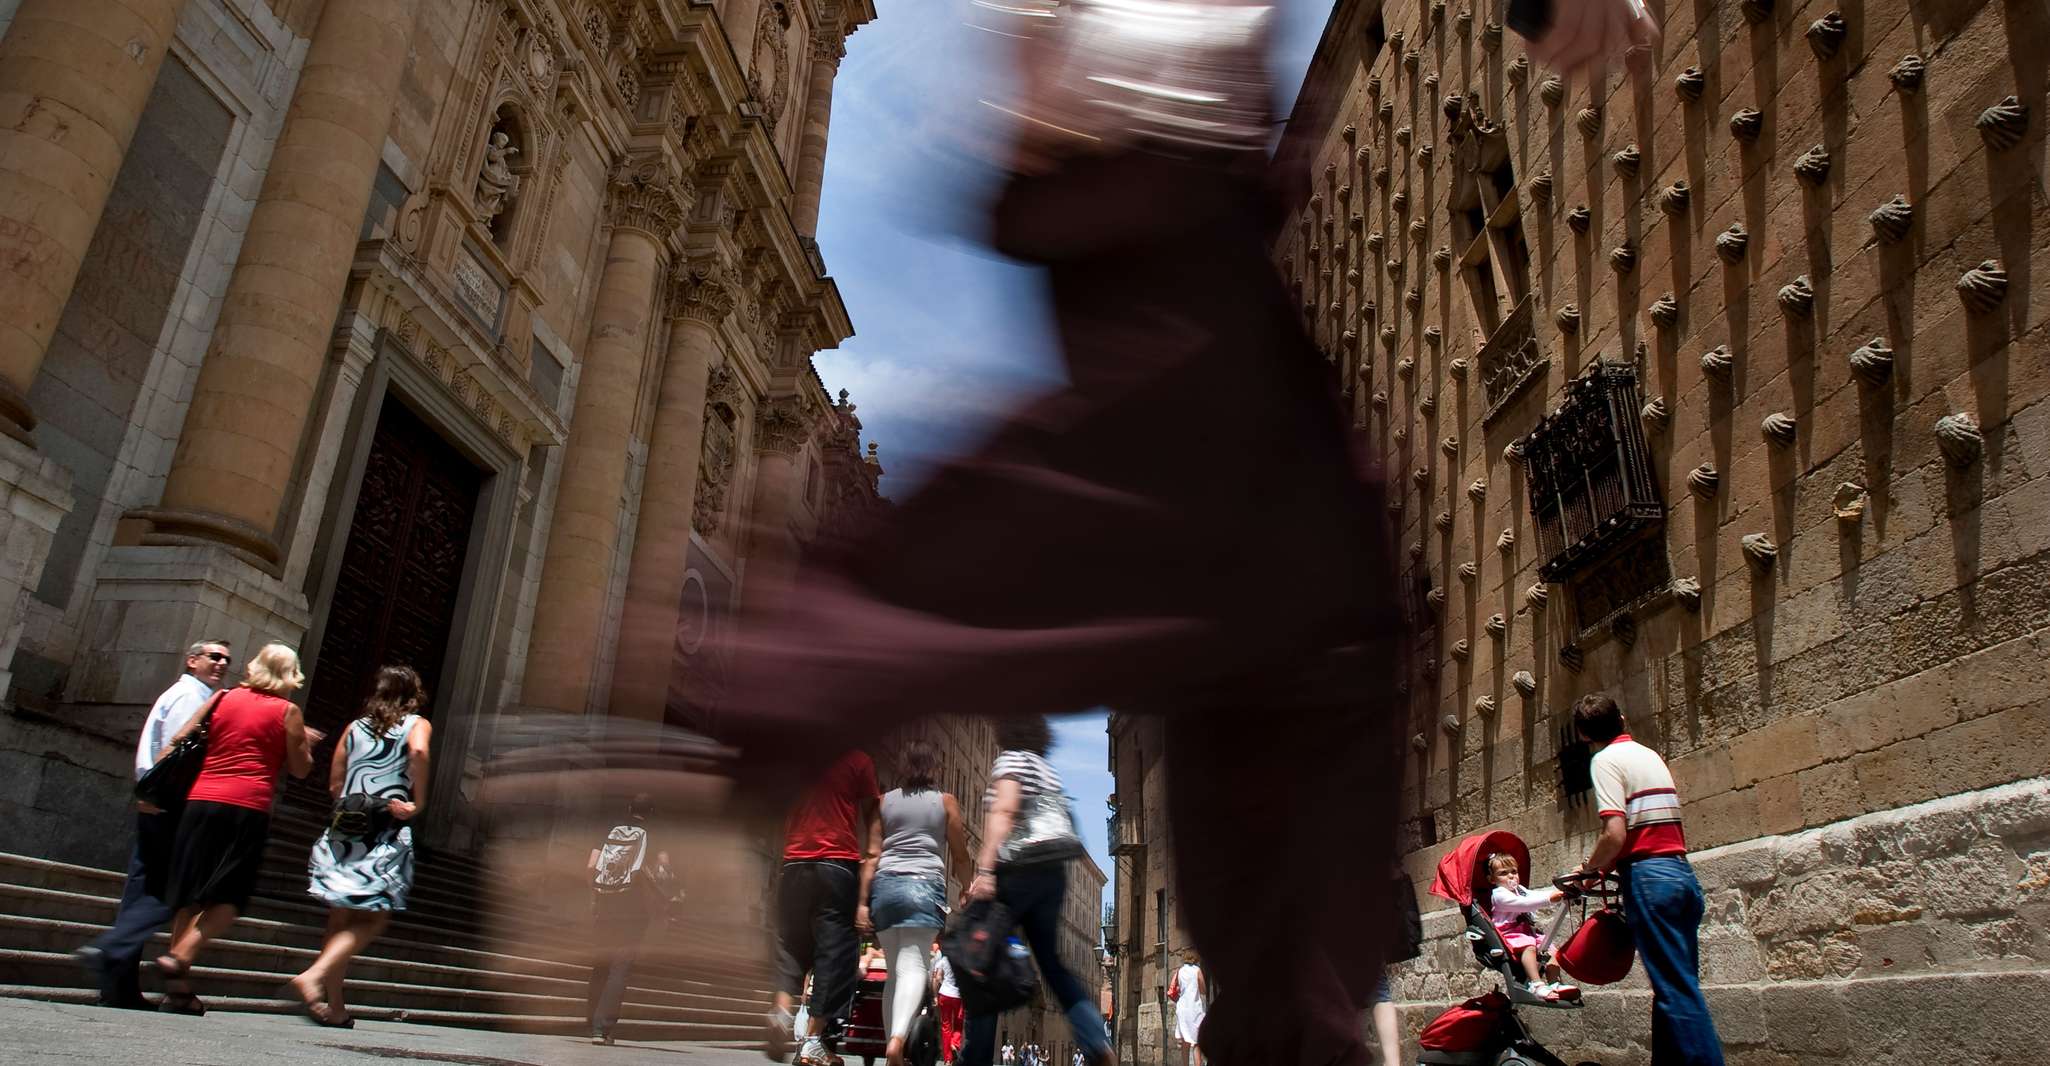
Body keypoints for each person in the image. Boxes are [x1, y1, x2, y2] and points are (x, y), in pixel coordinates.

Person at [716, 5, 1663, 1064]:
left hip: (1160, 203)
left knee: (1276, 771)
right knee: (1265, 665)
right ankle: (694, 743)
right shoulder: (1180, 317)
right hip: (1167, 200)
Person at [153, 643, 319, 1014]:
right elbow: (300, 769)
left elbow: (181, 738)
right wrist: (304, 743)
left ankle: (177, 990)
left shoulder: (222, 698)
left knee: (191, 895)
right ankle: (179, 957)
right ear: (291, 675)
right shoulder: (287, 711)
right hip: (246, 808)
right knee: (229, 900)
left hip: (200, 802)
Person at [76, 639, 231, 1010]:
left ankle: (118, 983)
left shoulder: (191, 694)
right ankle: (109, 950)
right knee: (172, 891)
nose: (222, 663)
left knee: (143, 891)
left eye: (226, 659)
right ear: (192, 660)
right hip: (170, 805)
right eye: (214, 656)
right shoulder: (189, 698)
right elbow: (178, 756)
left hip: (159, 802)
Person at [1573, 693, 1725, 1066]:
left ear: (1583, 736)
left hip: (1648, 878)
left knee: (1676, 991)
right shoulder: (1649, 755)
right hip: (1680, 874)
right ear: (1623, 719)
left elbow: (1615, 834)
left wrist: (1590, 871)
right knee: (1674, 986)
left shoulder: (1605, 761)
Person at [959, 717, 1112, 1066]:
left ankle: (975, 1060)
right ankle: (1096, 1042)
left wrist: (984, 869)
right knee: (1053, 966)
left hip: (1017, 869)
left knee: (980, 960)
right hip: (1052, 874)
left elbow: (1004, 809)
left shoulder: (1012, 759)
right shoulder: (1047, 770)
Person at [289, 665, 433, 1027]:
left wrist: (353, 802)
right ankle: (314, 975)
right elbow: (419, 753)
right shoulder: (416, 724)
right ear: (412, 694)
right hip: (383, 830)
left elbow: (335, 782)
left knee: (339, 921)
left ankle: (335, 1007)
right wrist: (418, 801)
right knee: (373, 917)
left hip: (344, 830)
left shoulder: (355, 727)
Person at [858, 739, 971, 1066]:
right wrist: (966, 886)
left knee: (895, 971)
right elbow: (960, 853)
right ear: (933, 769)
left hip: (887, 888)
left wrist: (863, 902)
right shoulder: (946, 802)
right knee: (914, 967)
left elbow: (871, 854)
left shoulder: (882, 802)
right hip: (924, 887)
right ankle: (897, 1043)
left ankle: (895, 1046)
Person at [767, 749, 881, 1065]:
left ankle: (780, 1011)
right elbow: (873, 812)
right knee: (836, 953)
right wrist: (871, 855)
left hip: (793, 862)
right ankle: (813, 1040)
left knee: (791, 943)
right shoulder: (859, 760)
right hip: (836, 863)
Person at [586, 793, 677, 1045]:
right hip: (634, 911)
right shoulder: (654, 835)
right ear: (650, 812)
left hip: (606, 904)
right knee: (620, 968)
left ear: (628, 808)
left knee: (601, 964)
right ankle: (602, 1029)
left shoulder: (609, 829)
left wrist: (595, 897)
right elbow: (663, 874)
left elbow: (591, 865)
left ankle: (589, 1022)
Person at [1485, 853, 1575, 1001]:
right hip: (1509, 932)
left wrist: (1559, 893)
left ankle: (1555, 983)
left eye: (1514, 871)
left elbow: (1533, 895)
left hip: (1525, 930)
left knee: (1551, 950)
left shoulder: (1519, 889)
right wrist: (1549, 899)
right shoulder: (1499, 895)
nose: (1511, 876)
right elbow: (1524, 903)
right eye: (1503, 873)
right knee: (1529, 947)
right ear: (1492, 879)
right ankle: (1536, 984)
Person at [1169, 950, 1206, 1066]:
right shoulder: (1197, 971)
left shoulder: (1179, 971)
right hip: (1194, 1009)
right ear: (1195, 960)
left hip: (1182, 1009)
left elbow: (1174, 988)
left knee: (1184, 1041)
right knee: (1196, 1042)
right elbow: (1203, 989)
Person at [932, 943, 965, 1064]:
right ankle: (955, 1043)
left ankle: (948, 1060)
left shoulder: (943, 960)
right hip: (958, 996)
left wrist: (936, 996)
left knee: (946, 1027)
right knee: (958, 1024)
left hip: (944, 994)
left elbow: (937, 978)